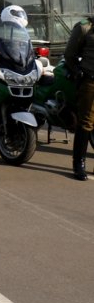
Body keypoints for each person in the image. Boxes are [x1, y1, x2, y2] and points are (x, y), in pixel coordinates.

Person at [63, 14, 94, 181]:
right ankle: (79, 164)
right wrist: (78, 73)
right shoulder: (84, 27)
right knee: (86, 122)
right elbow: (69, 54)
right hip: (90, 81)